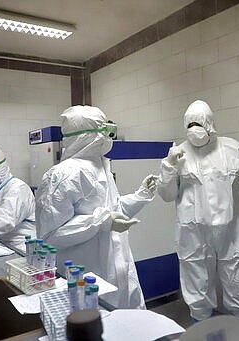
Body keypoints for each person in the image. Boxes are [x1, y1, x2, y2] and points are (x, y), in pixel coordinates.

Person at [35, 105, 156, 310]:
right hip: (88, 277)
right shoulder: (61, 175)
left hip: (120, 270)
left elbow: (113, 211)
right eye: (103, 130)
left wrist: (141, 196)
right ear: (86, 136)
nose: (108, 136)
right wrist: (101, 221)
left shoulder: (102, 166)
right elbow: (50, 236)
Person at [156, 100, 239, 322]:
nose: (195, 129)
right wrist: (168, 166)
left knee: (238, 283)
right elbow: (166, 195)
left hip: (231, 230)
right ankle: (204, 328)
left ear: (211, 124)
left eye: (200, 123)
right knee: (197, 287)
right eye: (191, 124)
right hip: (194, 233)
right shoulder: (177, 154)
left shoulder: (231, 148)